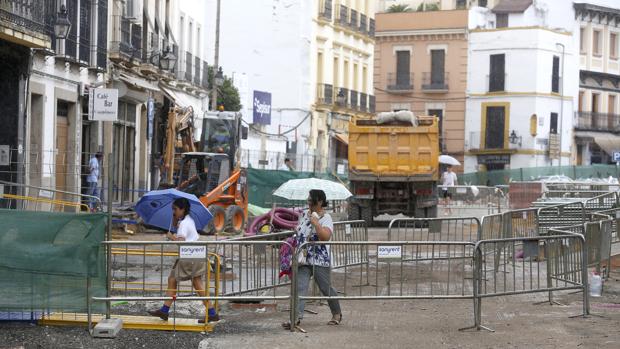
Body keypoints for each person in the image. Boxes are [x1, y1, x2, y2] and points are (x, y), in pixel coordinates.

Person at [148, 198, 219, 323]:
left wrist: (171, 237)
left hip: (190, 256)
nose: (173, 212)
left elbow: (180, 242)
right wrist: (176, 222)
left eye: (175, 209)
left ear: (183, 209)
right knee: (177, 280)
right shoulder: (188, 220)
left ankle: (211, 312)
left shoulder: (184, 224)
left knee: (195, 284)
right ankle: (165, 310)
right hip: (194, 254)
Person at [282, 189, 342, 330]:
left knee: (325, 287)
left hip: (320, 259)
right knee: (300, 287)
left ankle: (337, 313)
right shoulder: (303, 214)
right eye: (308, 200)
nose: (309, 203)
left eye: (311, 200)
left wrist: (316, 223)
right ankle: (295, 319)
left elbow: (325, 237)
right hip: (303, 258)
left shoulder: (326, 218)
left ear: (320, 201)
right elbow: (300, 232)